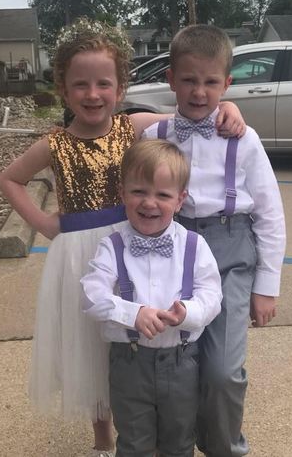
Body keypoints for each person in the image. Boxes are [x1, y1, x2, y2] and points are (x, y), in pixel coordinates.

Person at [0, 18, 246, 457]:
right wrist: (45, 223)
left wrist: (230, 108)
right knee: (91, 344)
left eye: (103, 84)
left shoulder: (131, 127)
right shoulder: (54, 144)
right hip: (78, 252)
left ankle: (147, 416)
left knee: (132, 332)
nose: (93, 94)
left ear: (120, 87)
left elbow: (192, 115)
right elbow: (10, 179)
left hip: (129, 240)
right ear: (63, 88)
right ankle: (102, 437)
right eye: (81, 85)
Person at [143, 24, 286, 457]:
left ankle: (225, 447)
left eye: (210, 82)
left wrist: (267, 285)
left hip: (230, 253)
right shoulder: (153, 136)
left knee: (223, 370)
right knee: (178, 366)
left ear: (227, 84)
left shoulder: (244, 139)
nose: (199, 92)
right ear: (170, 79)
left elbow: (270, 213)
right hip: (172, 250)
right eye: (188, 80)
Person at [81, 139, 222, 457]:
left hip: (181, 361)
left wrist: (188, 312)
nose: (149, 203)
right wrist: (132, 313)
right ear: (122, 193)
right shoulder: (112, 245)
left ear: (180, 199)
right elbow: (91, 295)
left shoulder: (194, 245)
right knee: (134, 442)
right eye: (139, 191)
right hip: (129, 363)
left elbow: (212, 296)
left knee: (180, 439)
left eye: (163, 195)